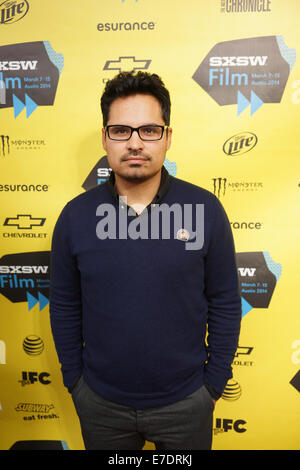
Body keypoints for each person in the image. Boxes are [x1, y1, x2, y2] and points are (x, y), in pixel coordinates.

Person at [49, 71, 241, 450]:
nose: (135, 143)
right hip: (101, 404)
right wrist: (75, 379)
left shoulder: (204, 209)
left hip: (187, 403)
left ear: (167, 137)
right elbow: (65, 304)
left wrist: (213, 383)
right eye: (121, 130)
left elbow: (225, 300)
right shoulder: (75, 217)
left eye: (149, 130)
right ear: (105, 138)